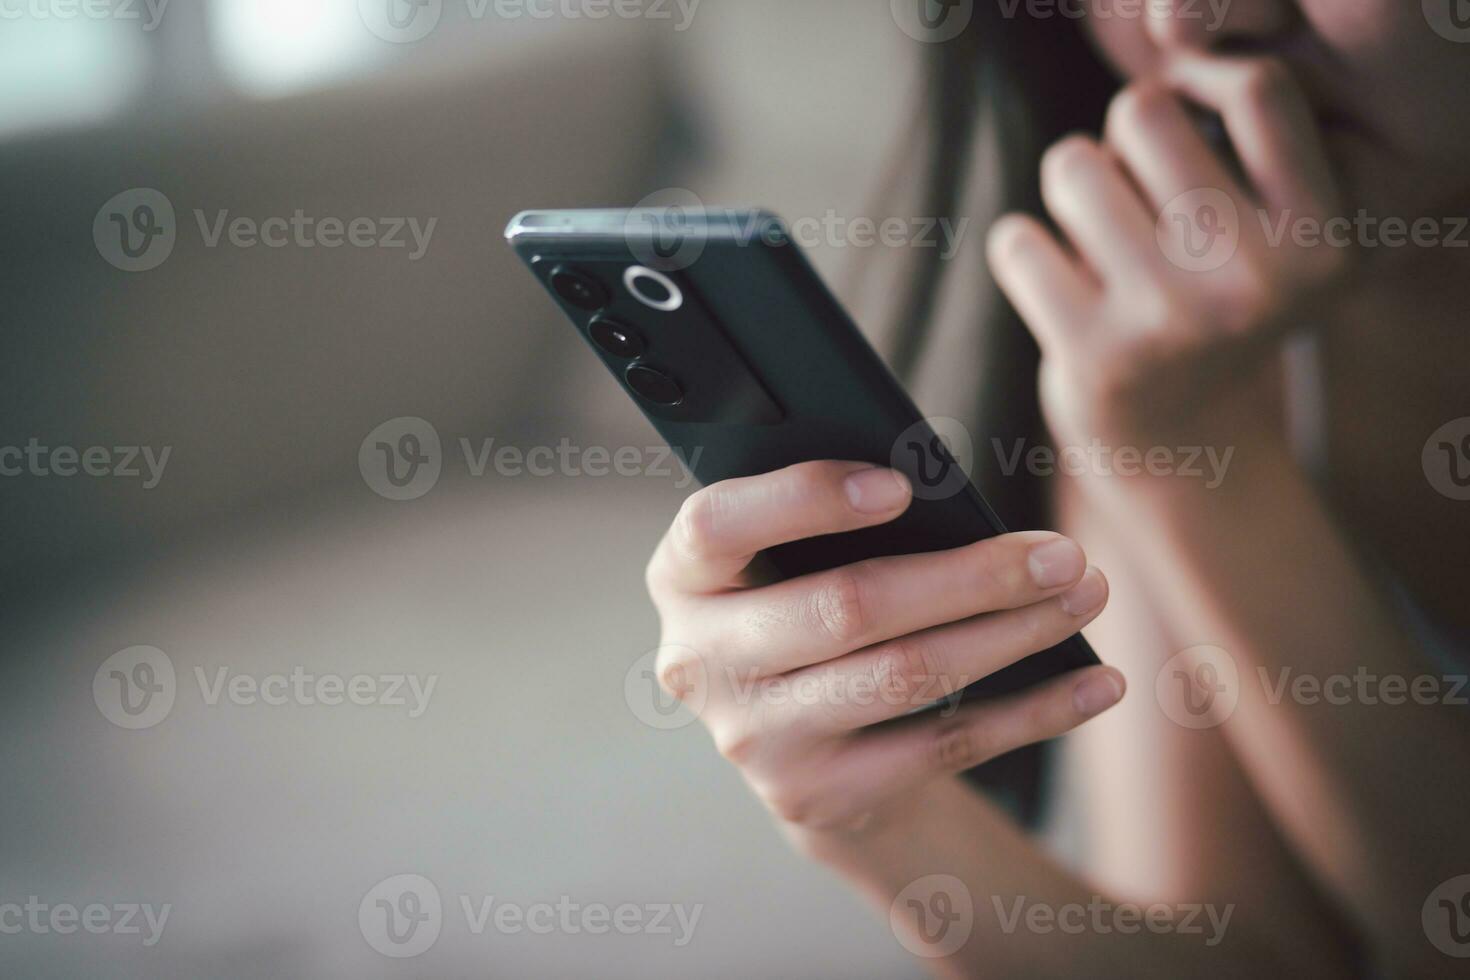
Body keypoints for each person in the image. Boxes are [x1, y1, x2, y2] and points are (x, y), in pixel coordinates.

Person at [643, 2, 1470, 975]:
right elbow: (1261, 955)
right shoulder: (1192, 338)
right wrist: (881, 825)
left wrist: (1188, 453)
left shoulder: (1185, 391)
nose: (1190, 20)